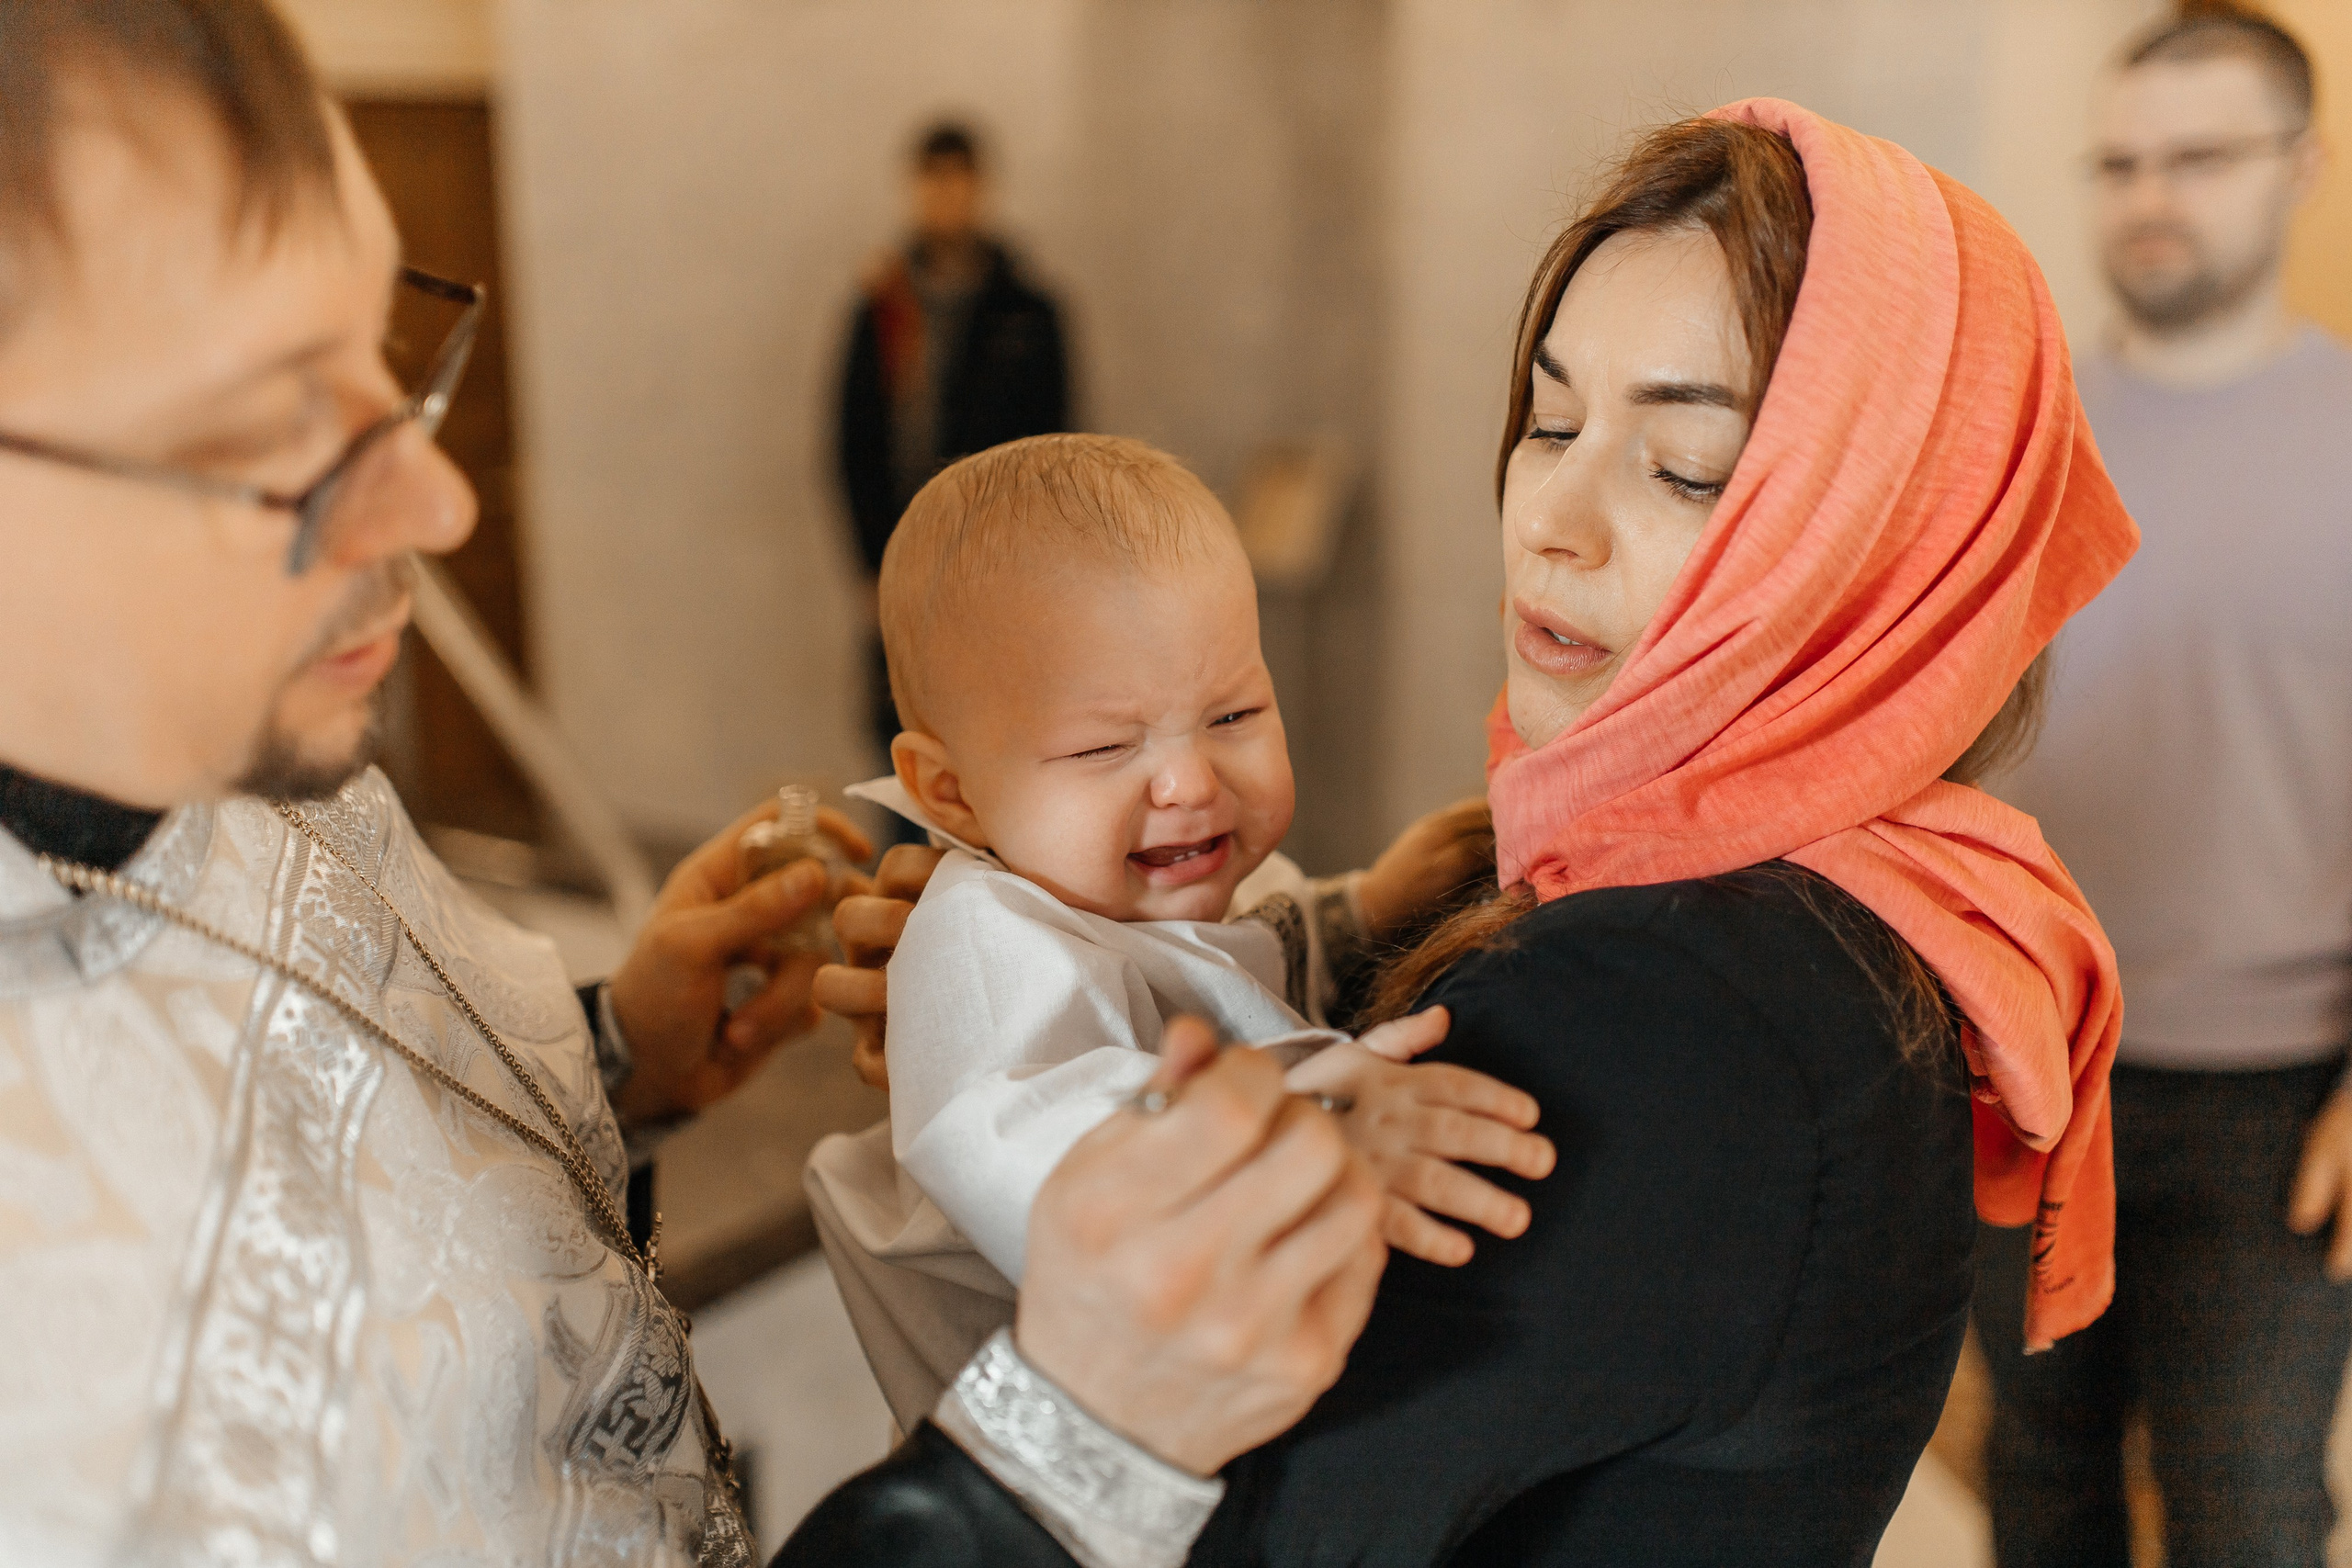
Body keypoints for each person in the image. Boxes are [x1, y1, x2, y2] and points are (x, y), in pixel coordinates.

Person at [0, 6, 1385, 1565]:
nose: (442, 498)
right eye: (272, 421)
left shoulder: (240, 746)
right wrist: (1067, 1439)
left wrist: (612, 1063)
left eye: (389, 355)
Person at [831, 98, 2140, 1564]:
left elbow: (1229, 1517)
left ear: (1884, 539)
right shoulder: (1869, 904)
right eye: (1552, 418)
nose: (1551, 520)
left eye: (1688, 467)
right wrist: (1066, 968)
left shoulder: (1656, 995)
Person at [799, 434, 1551, 1427]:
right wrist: (1313, 1133)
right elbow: (1058, 1165)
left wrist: (1368, 905)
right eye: (1106, 745)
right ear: (951, 792)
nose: (1190, 783)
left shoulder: (1161, 887)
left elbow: (1247, 961)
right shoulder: (982, 947)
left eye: (1234, 715)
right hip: (1058, 1487)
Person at [1977, 7, 2352, 1563]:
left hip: (2276, 1093)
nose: (2149, 195)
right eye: (2120, 160)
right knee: (2042, 1485)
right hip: (2022, 1068)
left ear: (2302, 166)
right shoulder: (2014, 440)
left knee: (2251, 1513)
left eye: (2197, 156)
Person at [836, 121, 1072, 809]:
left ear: (980, 188)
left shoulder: (1028, 310)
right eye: (932, 182)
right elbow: (849, 441)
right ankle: (907, 895)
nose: (946, 198)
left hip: (1000, 560)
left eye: (958, 181)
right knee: (901, 732)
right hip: (902, 553)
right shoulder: (883, 306)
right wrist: (869, 561)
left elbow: (1057, 449)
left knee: (1000, 726)